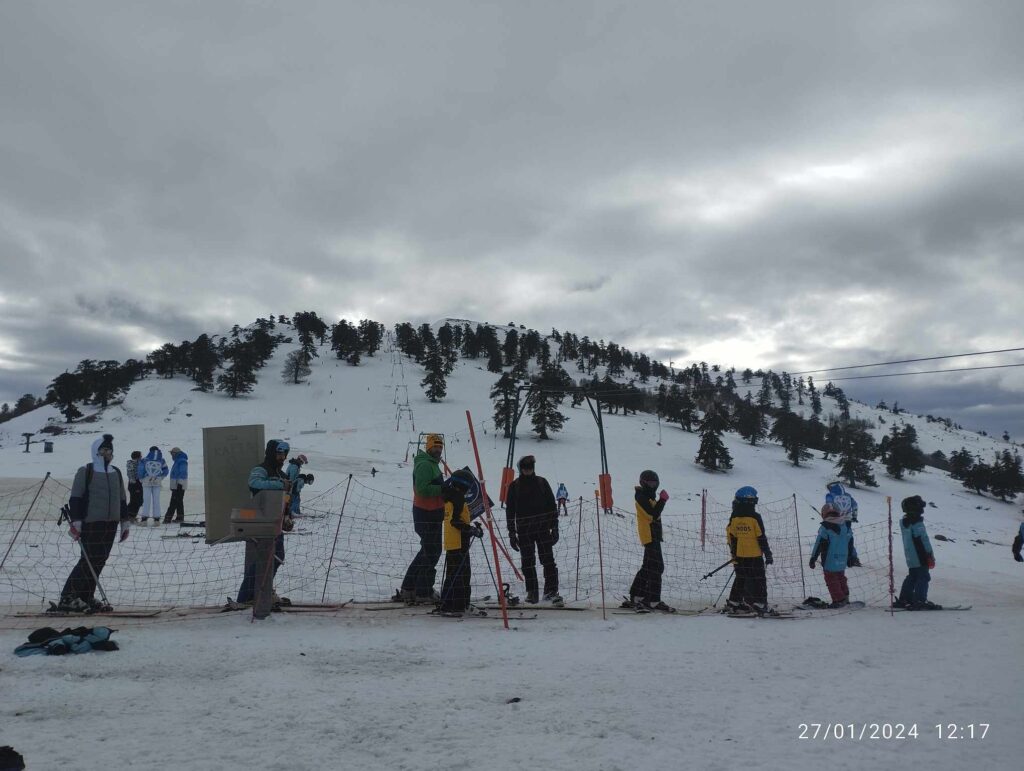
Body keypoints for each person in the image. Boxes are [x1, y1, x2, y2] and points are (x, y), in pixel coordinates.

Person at [56, 434, 130, 612]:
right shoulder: (86, 471)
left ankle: (85, 595)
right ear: (95, 451)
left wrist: (125, 522)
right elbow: (76, 498)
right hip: (91, 522)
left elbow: (121, 499)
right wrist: (77, 521)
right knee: (88, 559)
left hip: (110, 523)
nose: (107, 453)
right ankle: (68, 596)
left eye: (110, 450)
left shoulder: (116, 472)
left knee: (100, 560)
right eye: (103, 450)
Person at [236, 439, 294, 609]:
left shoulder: (283, 475)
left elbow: (285, 499)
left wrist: (287, 518)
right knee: (264, 558)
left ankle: (261, 590)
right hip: (260, 521)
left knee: (276, 557)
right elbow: (254, 483)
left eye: (284, 454)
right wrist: (278, 484)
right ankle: (248, 595)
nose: (281, 457)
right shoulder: (261, 470)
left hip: (275, 522)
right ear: (270, 452)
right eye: (278, 453)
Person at [396, 434, 446, 604]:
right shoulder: (425, 465)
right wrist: (443, 488)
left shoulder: (432, 465)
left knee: (428, 551)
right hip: (426, 513)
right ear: (428, 447)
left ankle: (410, 587)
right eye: (435, 447)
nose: (438, 450)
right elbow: (423, 489)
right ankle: (422, 591)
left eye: (440, 447)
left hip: (433, 512)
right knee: (431, 552)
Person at [506, 455, 562, 605]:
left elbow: (552, 507)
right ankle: (532, 592)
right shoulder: (514, 486)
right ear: (520, 469)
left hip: (543, 529)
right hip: (524, 531)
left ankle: (551, 591)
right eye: (525, 468)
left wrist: (555, 527)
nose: (528, 470)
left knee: (548, 560)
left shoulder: (542, 483)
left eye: (530, 467)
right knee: (527, 562)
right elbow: (510, 512)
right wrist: (512, 533)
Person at [623, 470, 674, 612]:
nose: (653, 486)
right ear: (643, 483)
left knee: (648, 567)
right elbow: (652, 515)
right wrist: (662, 500)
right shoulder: (641, 497)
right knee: (657, 567)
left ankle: (637, 596)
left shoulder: (648, 497)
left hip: (654, 536)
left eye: (655, 483)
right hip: (649, 536)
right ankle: (653, 600)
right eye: (650, 483)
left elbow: (653, 513)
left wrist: (659, 501)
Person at [438, 469, 483, 616]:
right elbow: (455, 521)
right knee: (460, 574)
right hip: (458, 542)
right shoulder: (457, 498)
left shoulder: (449, 496)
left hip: (453, 541)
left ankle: (451, 603)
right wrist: (470, 530)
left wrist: (470, 528)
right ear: (463, 486)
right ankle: (456, 605)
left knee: (455, 573)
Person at [725, 485, 775, 615]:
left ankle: (734, 602)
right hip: (755, 555)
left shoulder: (734, 517)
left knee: (740, 578)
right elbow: (761, 537)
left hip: (740, 555)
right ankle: (760, 603)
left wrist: (734, 554)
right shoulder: (755, 517)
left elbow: (733, 537)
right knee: (759, 579)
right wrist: (768, 553)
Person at [808, 503, 859, 607]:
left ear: (824, 514)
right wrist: (852, 557)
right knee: (841, 577)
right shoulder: (846, 527)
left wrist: (813, 558)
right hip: (842, 560)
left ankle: (838, 600)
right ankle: (845, 597)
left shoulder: (825, 528)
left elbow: (819, 544)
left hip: (830, 560)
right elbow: (850, 543)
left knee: (831, 579)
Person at [895, 495, 941, 610]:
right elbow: (923, 541)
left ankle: (905, 598)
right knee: (923, 576)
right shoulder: (917, 524)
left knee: (912, 576)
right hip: (920, 555)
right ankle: (920, 599)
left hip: (911, 556)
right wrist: (929, 555)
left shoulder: (906, 523)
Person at [137, 446, 168, 525]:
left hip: (146, 481)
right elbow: (166, 470)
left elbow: (140, 469)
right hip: (157, 481)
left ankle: (144, 519)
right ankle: (157, 519)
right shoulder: (162, 460)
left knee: (146, 500)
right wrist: (161, 477)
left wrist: (141, 478)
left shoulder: (144, 460)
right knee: (156, 500)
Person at [163, 447, 188, 524]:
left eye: (172, 453)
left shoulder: (182, 461)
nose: (171, 455)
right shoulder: (178, 460)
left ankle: (167, 518)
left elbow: (183, 472)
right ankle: (180, 518)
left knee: (173, 502)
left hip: (179, 485)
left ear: (176, 454)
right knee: (179, 502)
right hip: (177, 485)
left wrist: (179, 484)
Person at [126, 450, 143, 521]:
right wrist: (136, 484)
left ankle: (131, 516)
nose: (141, 457)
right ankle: (128, 516)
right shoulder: (132, 463)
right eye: (140, 456)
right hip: (134, 484)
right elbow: (131, 475)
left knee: (138, 501)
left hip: (137, 484)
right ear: (137, 457)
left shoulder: (138, 463)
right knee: (135, 501)